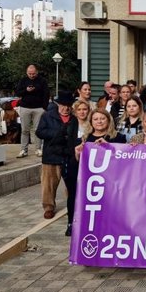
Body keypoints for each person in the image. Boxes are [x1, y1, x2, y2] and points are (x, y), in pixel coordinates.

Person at [35, 91, 74, 220]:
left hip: (68, 154)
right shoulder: (47, 116)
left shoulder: (74, 117)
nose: (66, 108)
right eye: (63, 105)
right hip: (51, 155)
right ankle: (48, 207)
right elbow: (40, 132)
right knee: (49, 184)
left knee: (71, 184)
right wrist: (59, 133)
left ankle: (72, 206)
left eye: (68, 105)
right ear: (58, 104)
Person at [63, 99, 91, 236]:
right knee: (73, 194)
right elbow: (63, 143)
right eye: (79, 109)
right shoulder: (70, 125)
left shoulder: (92, 125)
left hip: (90, 165)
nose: (82, 112)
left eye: (84, 109)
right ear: (75, 111)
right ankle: (70, 222)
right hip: (74, 163)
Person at [15, 64, 50, 158]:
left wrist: (44, 107)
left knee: (38, 129)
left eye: (33, 73)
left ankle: (38, 149)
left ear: (37, 72)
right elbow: (18, 92)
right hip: (25, 107)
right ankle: (23, 150)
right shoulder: (23, 81)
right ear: (27, 73)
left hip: (38, 108)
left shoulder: (42, 81)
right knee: (24, 129)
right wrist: (26, 90)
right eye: (30, 74)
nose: (31, 75)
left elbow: (46, 94)